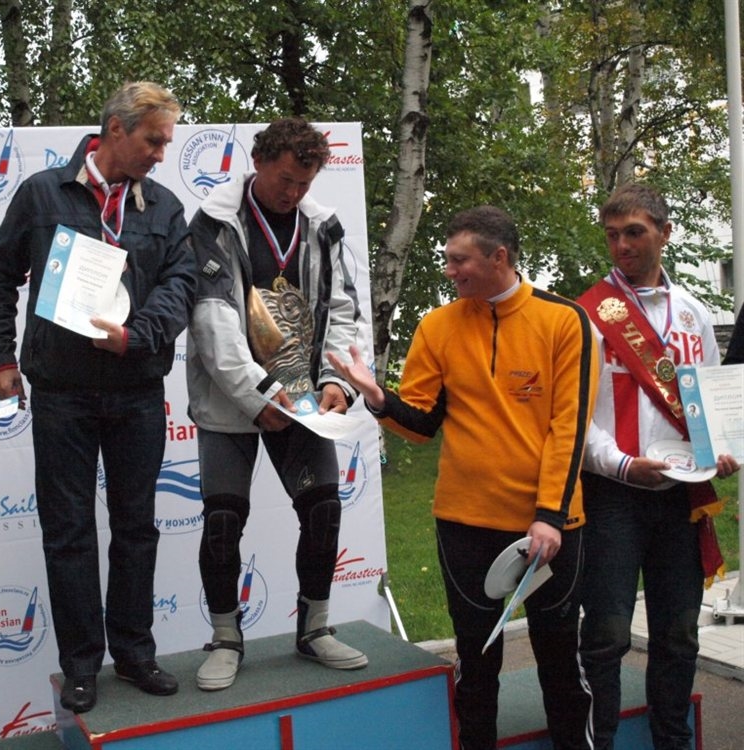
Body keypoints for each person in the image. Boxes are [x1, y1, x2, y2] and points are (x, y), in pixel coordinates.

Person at [328, 206, 596, 749]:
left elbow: (569, 429)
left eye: (459, 260)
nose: (449, 270)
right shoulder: (438, 325)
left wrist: (549, 515)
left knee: (561, 664)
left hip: (547, 527)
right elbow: (422, 423)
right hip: (464, 523)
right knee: (475, 667)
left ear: (499, 257)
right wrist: (378, 399)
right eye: (447, 259)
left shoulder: (565, 320)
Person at [0, 81, 195, 713]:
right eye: (153, 140)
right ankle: (80, 665)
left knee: (136, 529)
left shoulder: (164, 206)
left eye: (167, 142)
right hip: (62, 392)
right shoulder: (42, 193)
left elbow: (181, 284)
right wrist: (0, 357)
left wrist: (137, 336)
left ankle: (134, 653)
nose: (161, 154)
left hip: (136, 389)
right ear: (115, 130)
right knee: (68, 532)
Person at [186, 117, 367, 691]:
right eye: (285, 179)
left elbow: (344, 309)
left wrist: (339, 381)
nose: (294, 192)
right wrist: (256, 394)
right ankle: (225, 638)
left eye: (304, 183)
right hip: (232, 399)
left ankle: (314, 629)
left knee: (323, 508)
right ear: (259, 161)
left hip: (305, 400)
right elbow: (212, 320)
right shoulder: (214, 222)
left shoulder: (323, 226)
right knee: (222, 519)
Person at [576, 183, 740, 750]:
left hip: (681, 497)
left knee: (679, 633)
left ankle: (673, 741)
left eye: (634, 233)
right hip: (613, 494)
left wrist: (723, 450)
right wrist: (622, 466)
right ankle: (600, 742)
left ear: (664, 233)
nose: (621, 245)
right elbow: (573, 418)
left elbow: (713, 403)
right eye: (612, 235)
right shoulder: (587, 316)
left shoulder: (694, 314)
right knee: (607, 634)